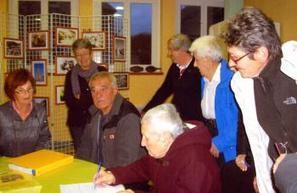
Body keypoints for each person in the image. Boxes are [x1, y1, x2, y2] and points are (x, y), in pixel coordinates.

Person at [224, 7, 297, 193]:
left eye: (235, 58)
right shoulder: (245, 85)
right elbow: (260, 140)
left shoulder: (292, 74)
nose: (230, 64)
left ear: (261, 53)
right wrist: (265, 175)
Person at [94, 103, 221, 193]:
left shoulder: (196, 164)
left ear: (165, 138)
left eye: (146, 137)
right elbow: (144, 166)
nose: (142, 143)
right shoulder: (167, 147)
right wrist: (115, 175)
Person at [190, 35, 255, 193]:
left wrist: (218, 143)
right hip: (212, 138)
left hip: (231, 146)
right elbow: (207, 117)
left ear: (208, 59)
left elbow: (242, 122)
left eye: (197, 60)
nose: (195, 65)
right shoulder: (204, 80)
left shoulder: (233, 80)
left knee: (230, 185)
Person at [76, 72, 146, 168]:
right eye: (94, 91)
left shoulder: (128, 117)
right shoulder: (94, 114)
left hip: (124, 179)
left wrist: (104, 177)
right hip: (97, 173)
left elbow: (126, 162)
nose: (98, 95)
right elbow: (84, 149)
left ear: (115, 90)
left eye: (103, 89)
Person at [142, 34, 203, 121]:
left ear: (182, 50)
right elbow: (164, 90)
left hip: (195, 119)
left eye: (171, 50)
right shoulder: (174, 67)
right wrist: (146, 110)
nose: (169, 54)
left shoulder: (198, 68)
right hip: (177, 117)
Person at [64, 38, 107, 152]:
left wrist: (82, 99)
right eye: (78, 55)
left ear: (91, 53)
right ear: (75, 56)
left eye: (85, 54)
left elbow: (106, 96)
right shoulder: (70, 75)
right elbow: (69, 101)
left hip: (99, 119)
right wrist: (93, 99)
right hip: (77, 122)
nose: (82, 58)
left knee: (100, 151)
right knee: (81, 154)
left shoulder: (102, 72)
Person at [0, 69, 51, 157]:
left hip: (33, 162)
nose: (27, 94)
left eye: (29, 89)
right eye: (21, 90)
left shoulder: (40, 111)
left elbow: (44, 139)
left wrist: (34, 158)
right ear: (12, 92)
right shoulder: (2, 113)